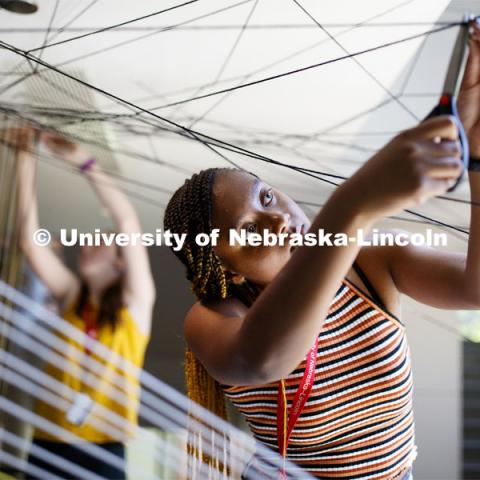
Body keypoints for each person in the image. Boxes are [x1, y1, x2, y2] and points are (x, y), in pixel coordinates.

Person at [163, 21, 480, 480]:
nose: (278, 219)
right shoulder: (213, 318)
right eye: (249, 228)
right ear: (226, 269)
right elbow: (264, 358)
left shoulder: (371, 263)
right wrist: (350, 205)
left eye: (267, 196)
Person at [9, 127, 155, 479]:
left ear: (122, 262)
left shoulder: (136, 305)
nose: (88, 244)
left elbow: (128, 223)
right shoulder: (72, 297)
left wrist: (82, 161)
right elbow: (30, 242)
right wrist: (24, 157)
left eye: (101, 241)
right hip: (49, 441)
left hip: (105, 448)